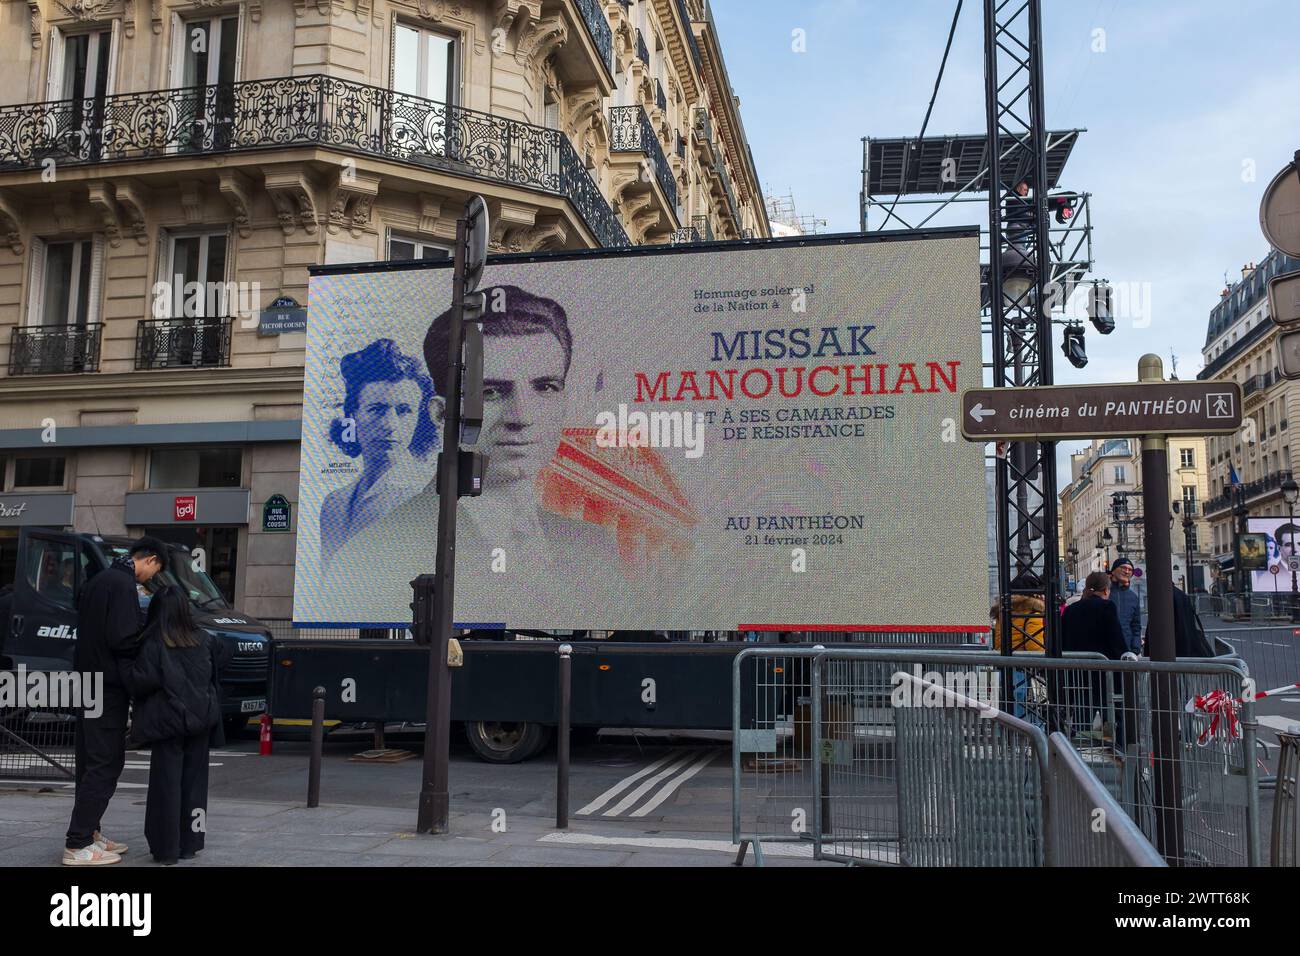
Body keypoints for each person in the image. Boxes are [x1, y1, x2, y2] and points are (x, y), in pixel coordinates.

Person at [63, 536, 167, 866]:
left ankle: (91, 832)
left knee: (89, 761)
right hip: (107, 687)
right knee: (106, 764)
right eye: (156, 570)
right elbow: (122, 638)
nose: (152, 578)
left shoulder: (99, 579)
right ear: (149, 560)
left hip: (86, 681)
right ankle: (78, 842)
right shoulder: (123, 585)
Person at [120, 586, 225, 865]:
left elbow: (140, 682)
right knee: (194, 784)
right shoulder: (205, 639)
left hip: (168, 722)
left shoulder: (153, 643)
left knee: (166, 785)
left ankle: (166, 848)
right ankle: (190, 843)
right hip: (200, 719)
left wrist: (125, 665)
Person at [320, 338, 439, 567]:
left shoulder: (423, 496)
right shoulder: (333, 504)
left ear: (418, 419)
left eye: (404, 411)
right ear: (353, 414)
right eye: (376, 409)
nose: (390, 424)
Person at [1061, 570, 1131, 739]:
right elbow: (1116, 639)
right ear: (1106, 590)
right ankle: (1118, 751)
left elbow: (1063, 639)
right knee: (1114, 716)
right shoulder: (1107, 607)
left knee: (1082, 718)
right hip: (1105, 672)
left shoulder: (1071, 610)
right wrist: (1125, 659)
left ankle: (1079, 753)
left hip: (1078, 674)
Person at [1106, 557, 1142, 654]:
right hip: (1104, 650)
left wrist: (1135, 647)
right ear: (1113, 571)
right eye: (1123, 568)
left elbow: (1136, 626)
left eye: (1130, 570)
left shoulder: (1133, 597)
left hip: (1127, 651)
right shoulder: (1104, 592)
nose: (1127, 571)